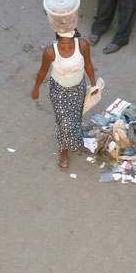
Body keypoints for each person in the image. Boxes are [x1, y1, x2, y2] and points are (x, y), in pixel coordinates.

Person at [31, 30, 97, 169]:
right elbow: (43, 70)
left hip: (78, 88)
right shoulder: (50, 52)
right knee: (64, 122)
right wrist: (36, 88)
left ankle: (75, 137)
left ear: (75, 37)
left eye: (69, 42)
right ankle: (64, 150)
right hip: (59, 91)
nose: (66, 46)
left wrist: (93, 84)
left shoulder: (83, 45)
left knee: (75, 116)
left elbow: (88, 64)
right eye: (63, 43)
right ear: (57, 39)